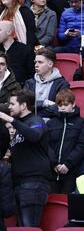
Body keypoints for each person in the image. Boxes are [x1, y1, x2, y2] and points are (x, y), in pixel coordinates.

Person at [0, 90, 50, 226]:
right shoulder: (17, 126)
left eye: (12, 104)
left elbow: (34, 136)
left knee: (29, 227)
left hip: (34, 182)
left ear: (23, 106)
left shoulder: (36, 120)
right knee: (21, 227)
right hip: (18, 184)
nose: (9, 107)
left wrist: (11, 120)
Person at [47, 88, 84, 194]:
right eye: (60, 105)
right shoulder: (51, 123)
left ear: (73, 104)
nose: (63, 108)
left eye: (66, 105)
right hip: (52, 171)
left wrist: (68, 164)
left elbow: (81, 146)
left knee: (66, 202)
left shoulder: (82, 123)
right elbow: (47, 145)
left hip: (71, 171)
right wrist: (54, 164)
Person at [23, 47, 69, 119]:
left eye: (40, 62)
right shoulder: (29, 83)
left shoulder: (62, 84)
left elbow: (60, 108)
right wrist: (44, 103)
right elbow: (24, 105)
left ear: (50, 64)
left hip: (52, 123)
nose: (36, 65)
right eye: (35, 62)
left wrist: (36, 114)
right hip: (30, 123)